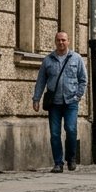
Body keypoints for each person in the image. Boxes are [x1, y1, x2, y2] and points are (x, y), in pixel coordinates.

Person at [32, 32, 88, 173]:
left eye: (63, 40)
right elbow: (41, 81)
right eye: (58, 40)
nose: (61, 42)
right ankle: (58, 163)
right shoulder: (48, 60)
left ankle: (71, 158)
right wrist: (36, 99)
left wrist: (78, 95)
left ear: (68, 41)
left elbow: (83, 79)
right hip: (54, 103)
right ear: (55, 42)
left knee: (71, 129)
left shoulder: (76, 58)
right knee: (55, 134)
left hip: (71, 102)